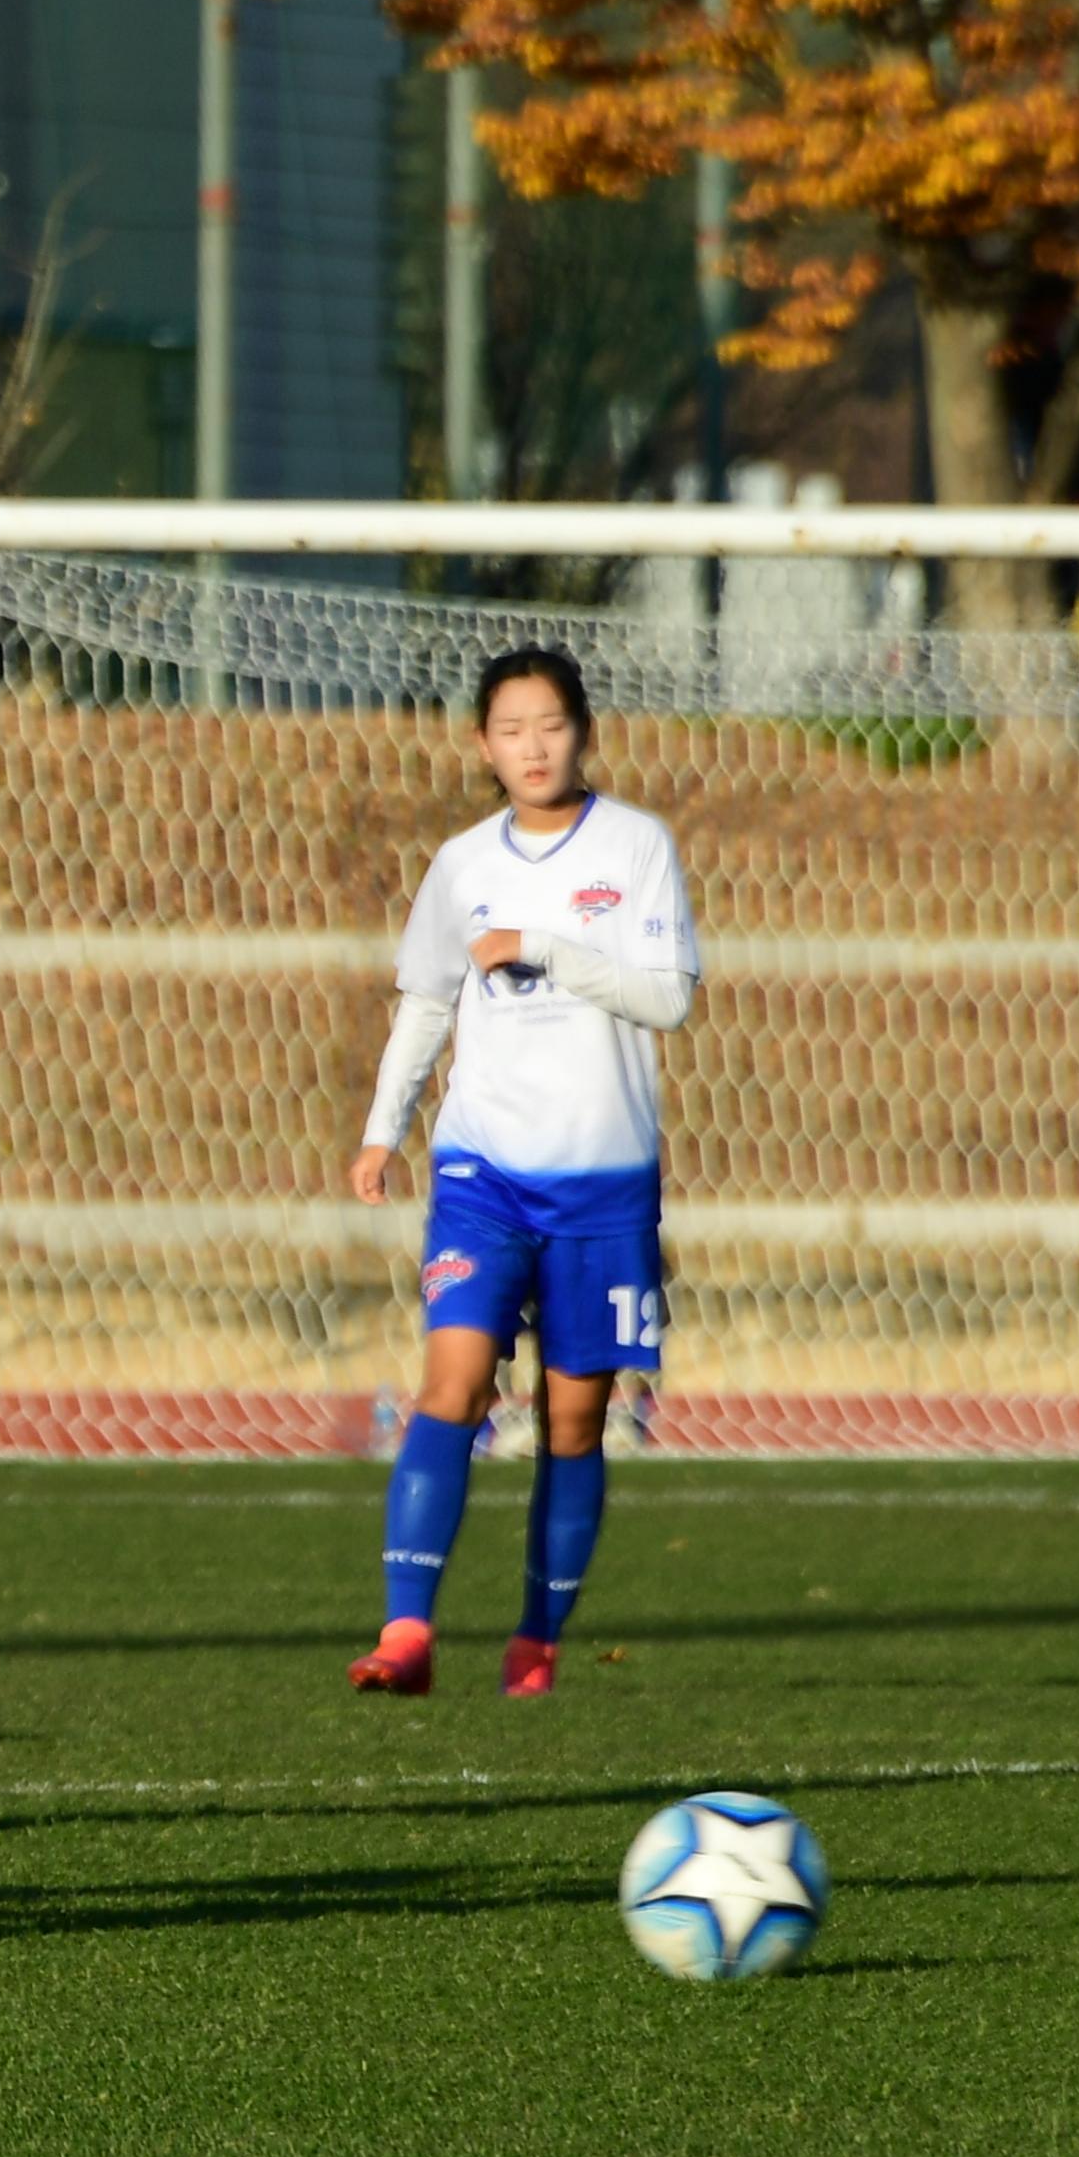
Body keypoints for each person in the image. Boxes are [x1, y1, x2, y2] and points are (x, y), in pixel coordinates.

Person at [341, 643, 698, 1700]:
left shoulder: (637, 846)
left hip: (603, 1182)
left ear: (582, 729)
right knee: (449, 1384)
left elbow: (668, 997)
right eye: (511, 729)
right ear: (483, 744)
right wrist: (382, 1129)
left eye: (550, 723)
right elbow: (425, 1004)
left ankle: (535, 1640)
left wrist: (549, 946)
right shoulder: (461, 864)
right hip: (481, 1170)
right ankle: (406, 1632)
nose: (532, 745)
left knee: (575, 1418)